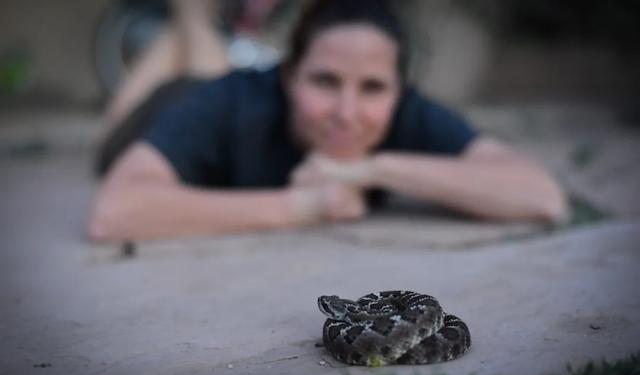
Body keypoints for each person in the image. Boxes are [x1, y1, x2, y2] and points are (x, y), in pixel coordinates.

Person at [88, 0, 568, 242]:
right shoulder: (227, 102)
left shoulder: (405, 111)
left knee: (205, 55)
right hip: (146, 116)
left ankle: (191, 19)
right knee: (202, 69)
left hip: (213, 94)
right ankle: (189, 14)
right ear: (289, 75)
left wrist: (373, 169)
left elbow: (541, 196)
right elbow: (115, 212)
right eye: (324, 81)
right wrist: (301, 206)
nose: (347, 112)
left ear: (399, 90)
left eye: (373, 88)